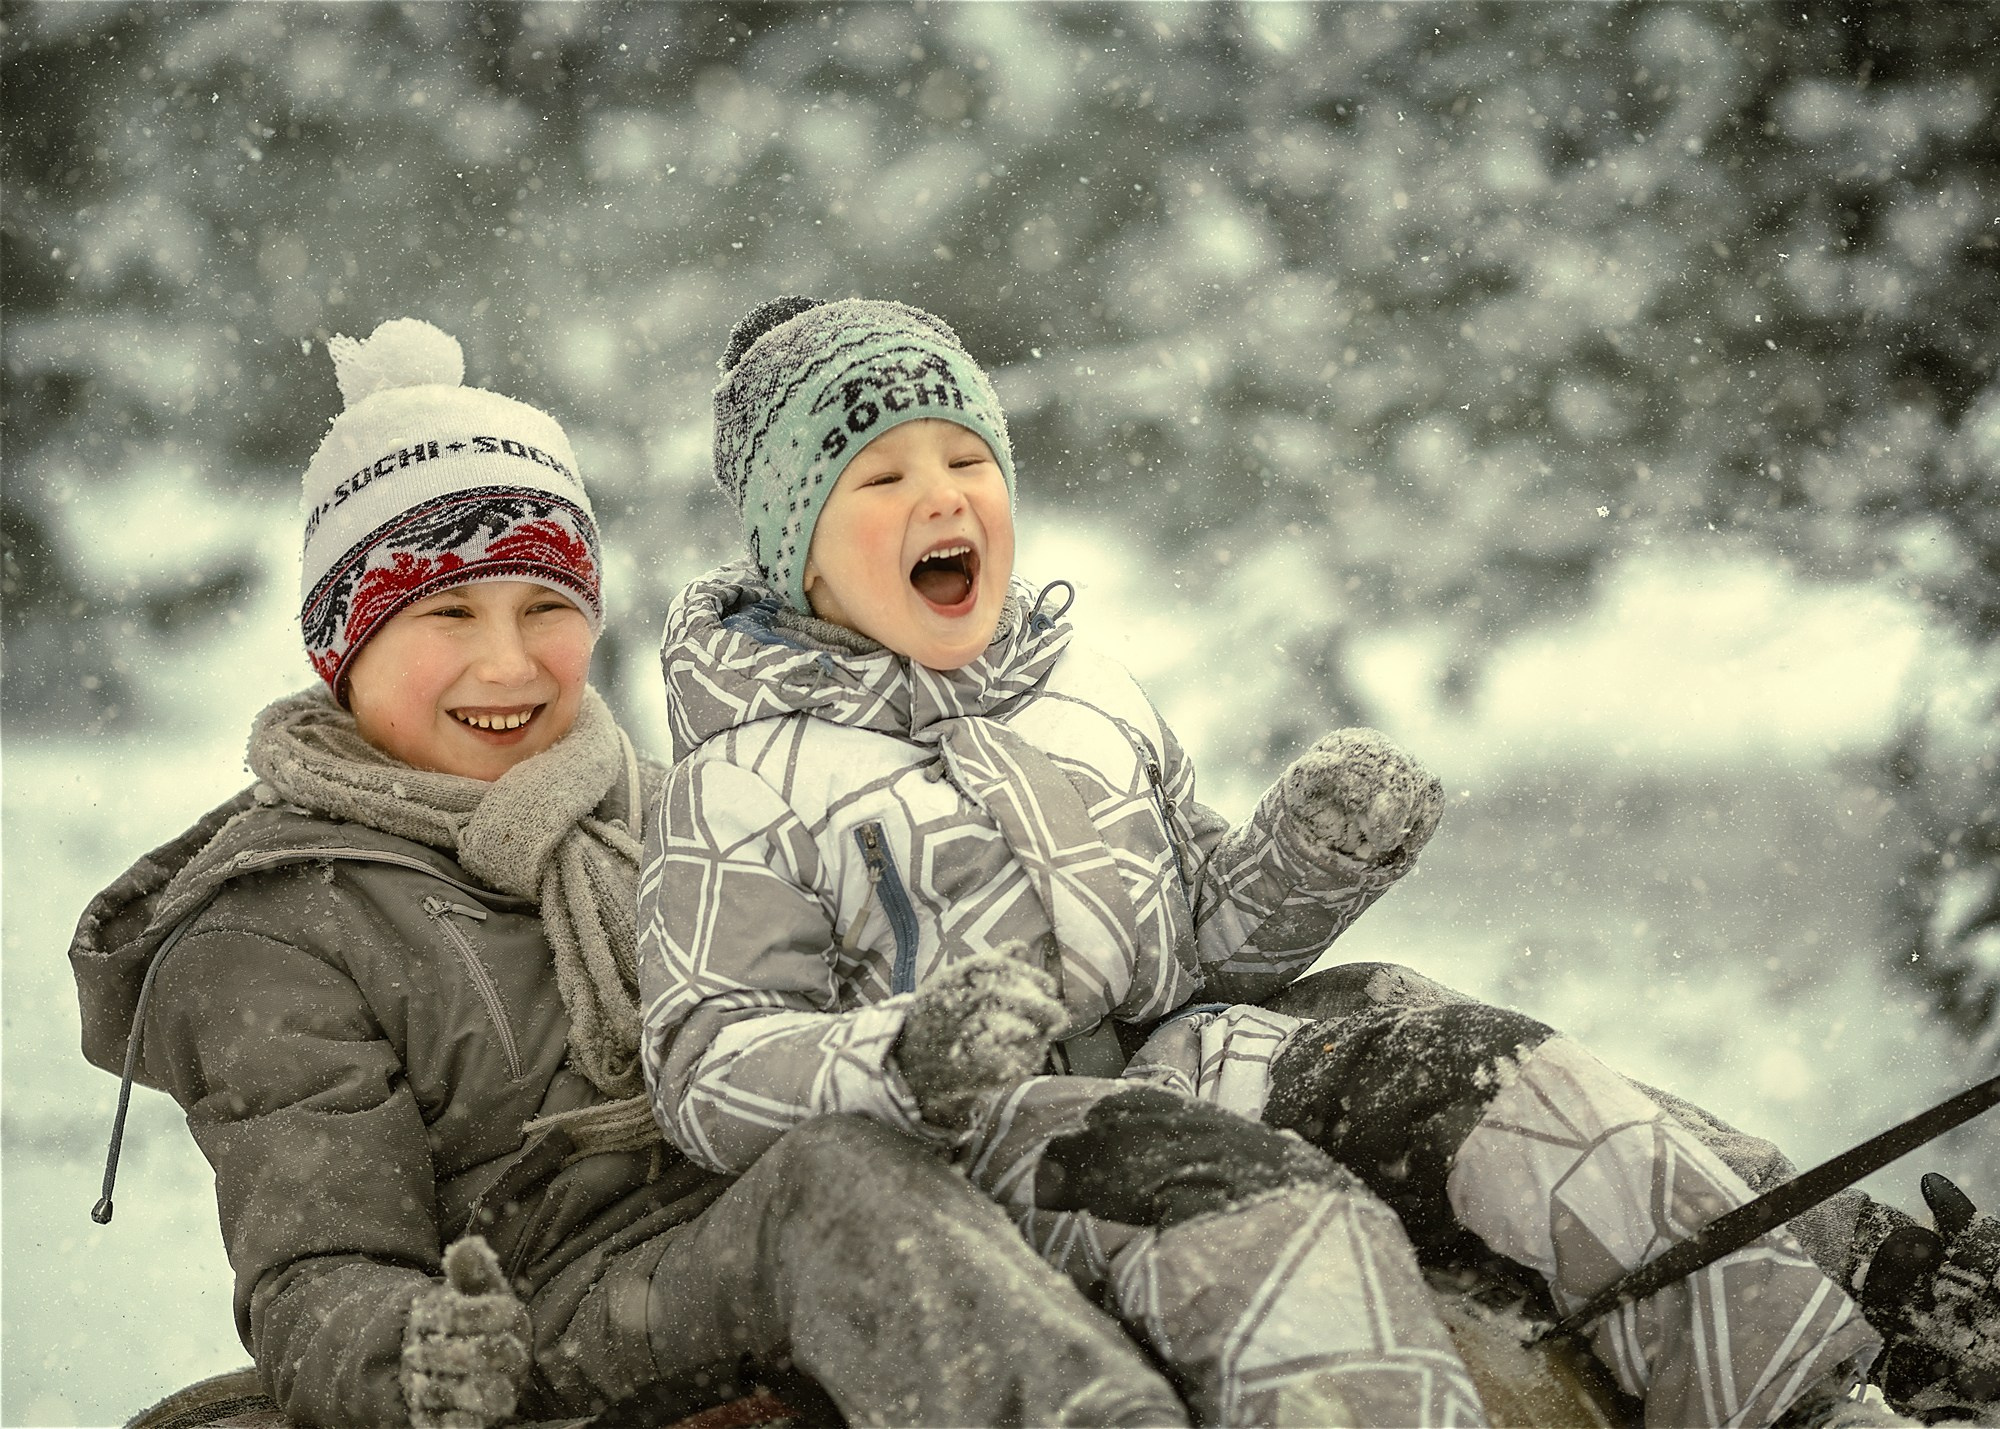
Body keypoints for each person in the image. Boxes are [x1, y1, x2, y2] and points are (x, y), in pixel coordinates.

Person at [638, 295, 1998, 1428]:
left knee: (1492, 1075)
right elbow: (704, 1066)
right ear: (795, 546)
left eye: (967, 461)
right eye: (881, 478)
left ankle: (1818, 1394)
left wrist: (1308, 858)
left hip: (1201, 1053)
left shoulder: (1080, 697)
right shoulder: (743, 782)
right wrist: (904, 1054)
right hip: (991, 1150)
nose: (941, 497)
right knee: (1280, 1232)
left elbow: (1201, 948)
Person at [69, 318, 1192, 1429]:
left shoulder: (678, 805)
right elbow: (317, 1269)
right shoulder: (274, 927)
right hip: (564, 1311)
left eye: (546, 609)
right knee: (833, 1184)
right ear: (343, 645)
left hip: (778, 1229)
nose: (507, 662)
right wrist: (420, 1353)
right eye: (447, 613)